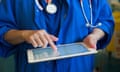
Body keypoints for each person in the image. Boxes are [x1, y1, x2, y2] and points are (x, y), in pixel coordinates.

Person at [0, 0, 114, 72]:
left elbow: (105, 21)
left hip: (78, 67)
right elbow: (2, 30)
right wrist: (24, 34)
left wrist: (95, 35)